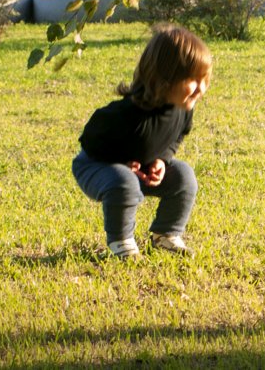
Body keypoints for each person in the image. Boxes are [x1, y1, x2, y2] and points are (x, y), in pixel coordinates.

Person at [72, 24, 212, 258]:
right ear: (165, 79)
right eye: (194, 80)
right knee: (123, 181)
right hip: (95, 165)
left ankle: (166, 235)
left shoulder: (183, 109)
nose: (201, 89)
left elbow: (177, 137)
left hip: (142, 168)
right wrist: (121, 163)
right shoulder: (127, 114)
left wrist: (161, 159)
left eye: (205, 79)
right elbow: (90, 139)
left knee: (183, 175)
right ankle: (122, 242)